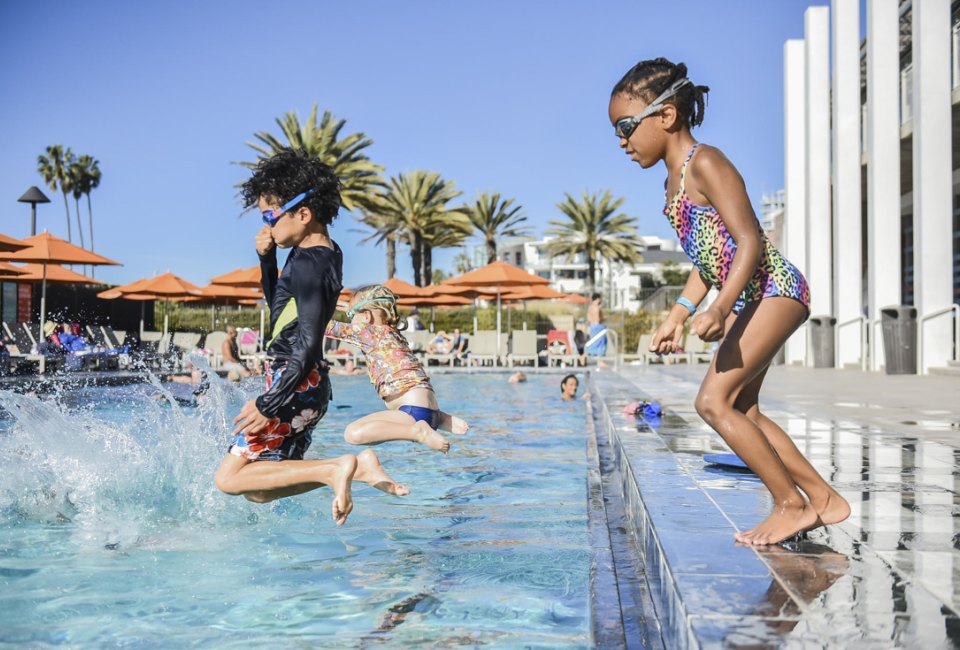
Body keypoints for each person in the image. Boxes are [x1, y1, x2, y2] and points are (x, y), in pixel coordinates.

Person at [609, 57, 849, 545]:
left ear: (667, 115)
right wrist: (680, 313)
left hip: (775, 290)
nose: (622, 142)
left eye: (626, 127)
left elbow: (749, 241)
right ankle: (823, 499)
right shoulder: (672, 184)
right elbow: (708, 258)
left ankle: (790, 505)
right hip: (755, 297)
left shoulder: (707, 162)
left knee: (712, 402)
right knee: (745, 410)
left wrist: (721, 307)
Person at [214, 148, 407, 525]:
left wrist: (268, 403)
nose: (267, 225)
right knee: (258, 489)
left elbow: (308, 341)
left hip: (294, 380)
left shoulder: (309, 265)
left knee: (228, 479)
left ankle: (336, 468)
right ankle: (358, 469)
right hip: (304, 384)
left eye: (270, 215)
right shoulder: (322, 254)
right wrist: (267, 260)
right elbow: (281, 310)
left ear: (303, 213)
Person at [325, 285, 469, 454]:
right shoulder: (393, 333)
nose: (349, 320)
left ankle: (418, 432)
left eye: (350, 316)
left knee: (352, 433)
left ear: (366, 316)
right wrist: (352, 308)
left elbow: (321, 325)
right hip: (429, 409)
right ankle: (441, 419)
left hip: (412, 412)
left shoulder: (366, 331)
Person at [584, 294, 608, 360]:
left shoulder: (590, 307)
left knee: (593, 342)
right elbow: (598, 319)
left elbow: (588, 319)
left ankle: (596, 359)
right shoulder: (597, 308)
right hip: (598, 327)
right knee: (601, 344)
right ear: (598, 299)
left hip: (592, 326)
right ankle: (600, 361)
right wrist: (604, 318)